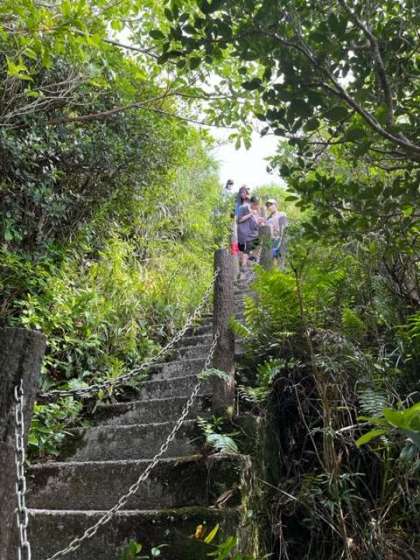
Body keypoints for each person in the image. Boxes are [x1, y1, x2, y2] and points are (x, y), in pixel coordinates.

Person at [237, 195, 264, 276]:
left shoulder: (257, 212)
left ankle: (250, 261)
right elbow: (239, 220)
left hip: (253, 234)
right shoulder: (243, 208)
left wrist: (259, 221)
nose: (257, 206)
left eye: (258, 205)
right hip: (245, 234)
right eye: (255, 204)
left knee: (258, 244)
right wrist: (251, 214)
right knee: (246, 249)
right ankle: (243, 266)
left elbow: (254, 225)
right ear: (251, 203)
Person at [265, 198, 288, 268]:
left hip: (281, 239)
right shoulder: (268, 218)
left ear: (275, 205)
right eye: (268, 206)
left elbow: (285, 227)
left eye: (271, 205)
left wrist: (282, 238)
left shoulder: (282, 214)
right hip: (271, 240)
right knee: (272, 259)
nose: (269, 207)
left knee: (281, 259)